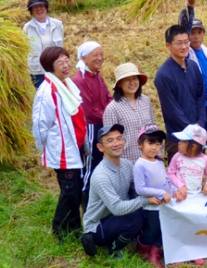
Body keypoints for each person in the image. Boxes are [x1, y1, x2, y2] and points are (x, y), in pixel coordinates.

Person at [81, 124, 160, 258]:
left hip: (116, 217)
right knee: (136, 217)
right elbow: (117, 208)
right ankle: (112, 248)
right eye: (110, 141)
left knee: (145, 210)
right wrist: (145, 200)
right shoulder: (101, 176)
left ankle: (138, 240)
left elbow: (139, 187)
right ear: (100, 147)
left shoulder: (126, 164)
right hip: (99, 223)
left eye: (119, 138)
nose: (116, 143)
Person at [32, 47, 86, 241]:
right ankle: (60, 230)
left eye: (67, 60)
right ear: (50, 67)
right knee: (69, 191)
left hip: (75, 146)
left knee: (76, 188)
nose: (66, 65)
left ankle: (73, 226)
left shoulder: (66, 84)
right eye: (60, 63)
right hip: (62, 150)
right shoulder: (47, 91)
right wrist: (45, 148)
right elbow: (40, 124)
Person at [154, 25, 206, 160]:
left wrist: (200, 123)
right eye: (179, 43)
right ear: (168, 45)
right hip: (178, 137)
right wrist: (191, 129)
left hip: (197, 134)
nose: (184, 46)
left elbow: (201, 97)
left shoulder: (193, 67)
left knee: (196, 176)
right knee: (178, 179)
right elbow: (171, 109)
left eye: (186, 42)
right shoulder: (163, 75)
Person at [72, 41, 113, 210]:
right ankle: (86, 201)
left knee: (100, 162)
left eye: (101, 54)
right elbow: (89, 111)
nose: (100, 58)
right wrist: (110, 117)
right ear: (84, 57)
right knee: (91, 163)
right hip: (91, 128)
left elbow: (108, 97)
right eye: (95, 55)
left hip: (102, 125)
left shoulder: (97, 75)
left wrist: (115, 110)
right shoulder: (79, 79)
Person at [167, 124, 207, 266]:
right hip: (180, 198)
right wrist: (180, 186)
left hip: (196, 199)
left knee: (194, 226)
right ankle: (177, 252)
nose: (178, 144)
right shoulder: (177, 157)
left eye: (182, 141)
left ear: (193, 146)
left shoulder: (204, 160)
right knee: (179, 226)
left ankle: (195, 252)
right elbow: (170, 173)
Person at [132, 124, 176, 268]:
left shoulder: (158, 161)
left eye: (158, 144)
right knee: (152, 230)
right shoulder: (140, 165)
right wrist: (162, 193)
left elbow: (165, 180)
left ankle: (154, 253)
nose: (154, 148)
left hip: (165, 204)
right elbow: (140, 189)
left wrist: (174, 190)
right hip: (152, 206)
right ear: (140, 144)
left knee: (164, 229)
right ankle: (142, 246)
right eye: (150, 143)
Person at [178, 0, 207, 140]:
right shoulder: (187, 54)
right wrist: (190, 6)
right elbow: (183, 27)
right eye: (192, 33)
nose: (196, 36)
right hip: (198, 106)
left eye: (199, 32)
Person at [103, 63, 155, 163]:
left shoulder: (146, 101)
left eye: (134, 78)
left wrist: (158, 155)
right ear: (119, 83)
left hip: (149, 160)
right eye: (127, 79)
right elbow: (109, 141)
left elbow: (153, 129)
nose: (132, 83)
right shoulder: (112, 109)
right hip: (127, 162)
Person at [23, 0, 64, 89]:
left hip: (55, 68)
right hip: (37, 71)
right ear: (31, 11)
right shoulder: (27, 28)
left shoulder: (58, 25)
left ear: (46, 8)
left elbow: (61, 47)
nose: (39, 9)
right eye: (35, 7)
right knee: (41, 95)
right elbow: (25, 50)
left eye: (41, 6)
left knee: (56, 94)